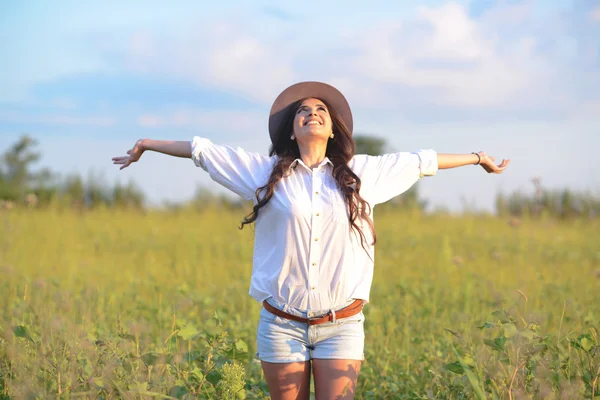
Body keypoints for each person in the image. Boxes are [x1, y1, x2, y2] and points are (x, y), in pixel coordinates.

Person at [112, 81, 510, 399]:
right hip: (281, 325)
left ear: (333, 128)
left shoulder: (363, 173)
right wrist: (147, 144)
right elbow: (203, 151)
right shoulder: (263, 173)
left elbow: (422, 161)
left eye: (320, 110)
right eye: (303, 110)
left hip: (343, 323)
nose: (311, 113)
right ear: (293, 129)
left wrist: (479, 157)